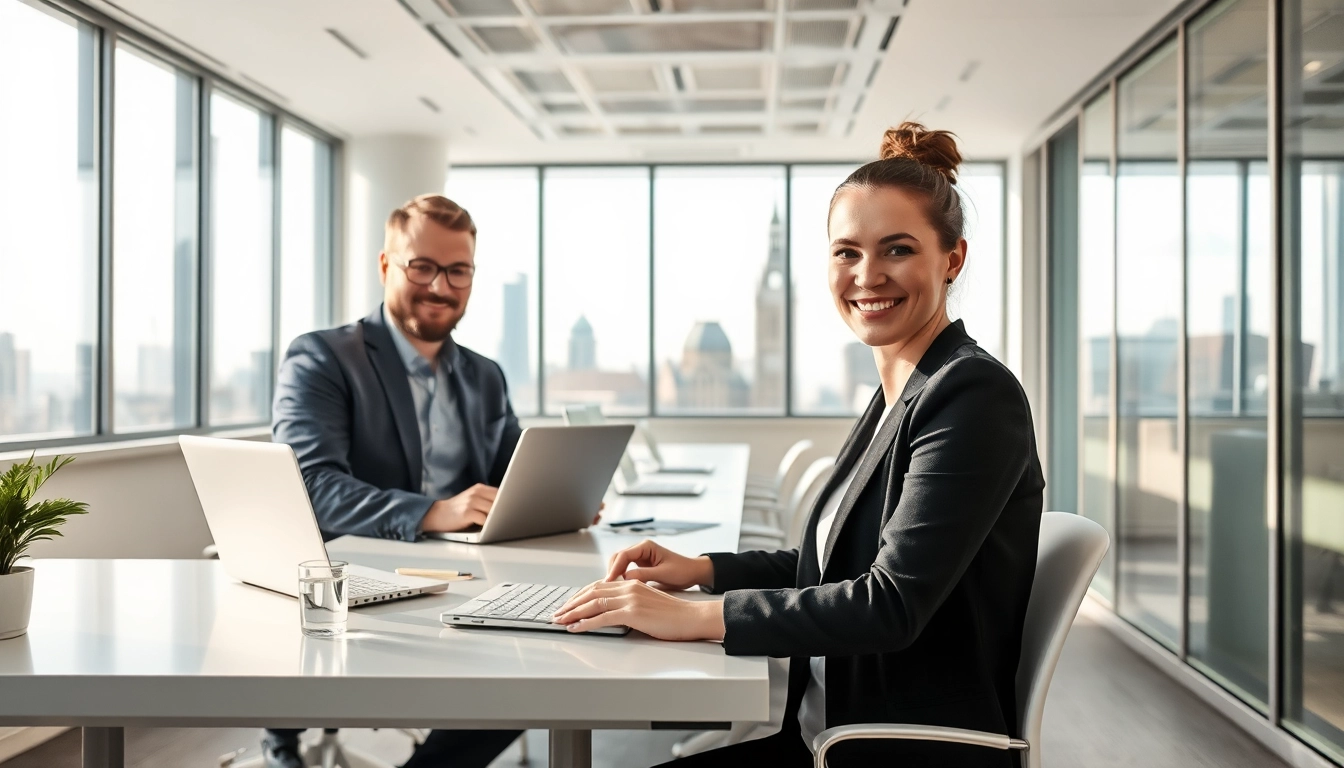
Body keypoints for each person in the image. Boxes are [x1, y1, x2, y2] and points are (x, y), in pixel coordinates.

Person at [551, 123, 1046, 768]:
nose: (868, 275)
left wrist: (698, 616)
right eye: (847, 252)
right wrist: (700, 570)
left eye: (897, 249)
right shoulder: (904, 393)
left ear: (952, 258)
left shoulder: (974, 395)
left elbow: (889, 603)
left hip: (882, 749)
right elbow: (840, 563)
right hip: (822, 736)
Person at [267, 194, 524, 768]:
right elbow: (310, 484)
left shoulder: (484, 376)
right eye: (422, 267)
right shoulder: (324, 359)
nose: (441, 286)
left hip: (464, 578)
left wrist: (556, 495)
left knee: (537, 673)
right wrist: (434, 512)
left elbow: (512, 471)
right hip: (355, 582)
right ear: (387, 266)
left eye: (458, 271)